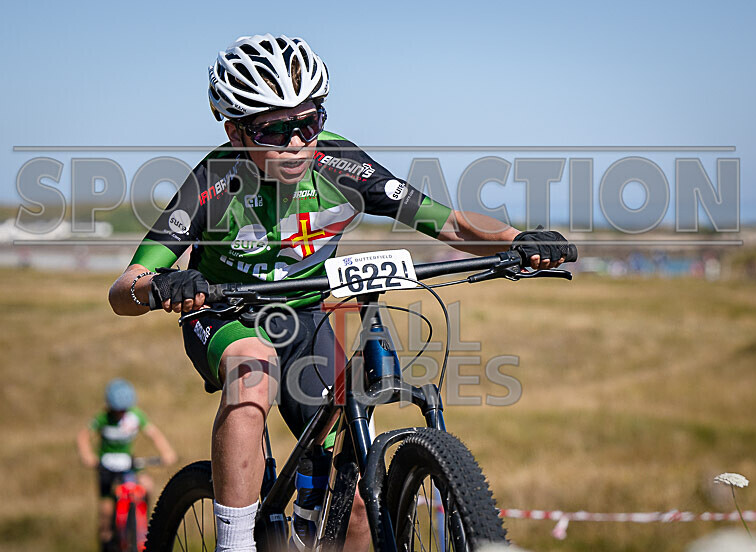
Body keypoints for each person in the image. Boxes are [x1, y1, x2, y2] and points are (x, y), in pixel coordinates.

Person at [108, 34, 574, 552]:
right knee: (252, 370)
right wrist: (162, 285)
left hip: (308, 313)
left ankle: (316, 504)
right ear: (234, 131)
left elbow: (447, 222)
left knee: (351, 503)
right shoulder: (213, 181)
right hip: (226, 317)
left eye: (308, 123)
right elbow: (123, 289)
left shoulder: (341, 164)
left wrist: (519, 241)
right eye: (274, 130)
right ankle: (235, 543)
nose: (296, 142)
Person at [77, 378, 177, 551]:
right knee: (106, 513)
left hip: (128, 463)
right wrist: (88, 456)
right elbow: (84, 435)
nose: (120, 414)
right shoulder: (103, 418)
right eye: (117, 410)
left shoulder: (135, 416)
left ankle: (144, 522)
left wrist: (167, 452)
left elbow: (153, 433)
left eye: (123, 410)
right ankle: (107, 540)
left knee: (147, 485)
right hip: (107, 466)